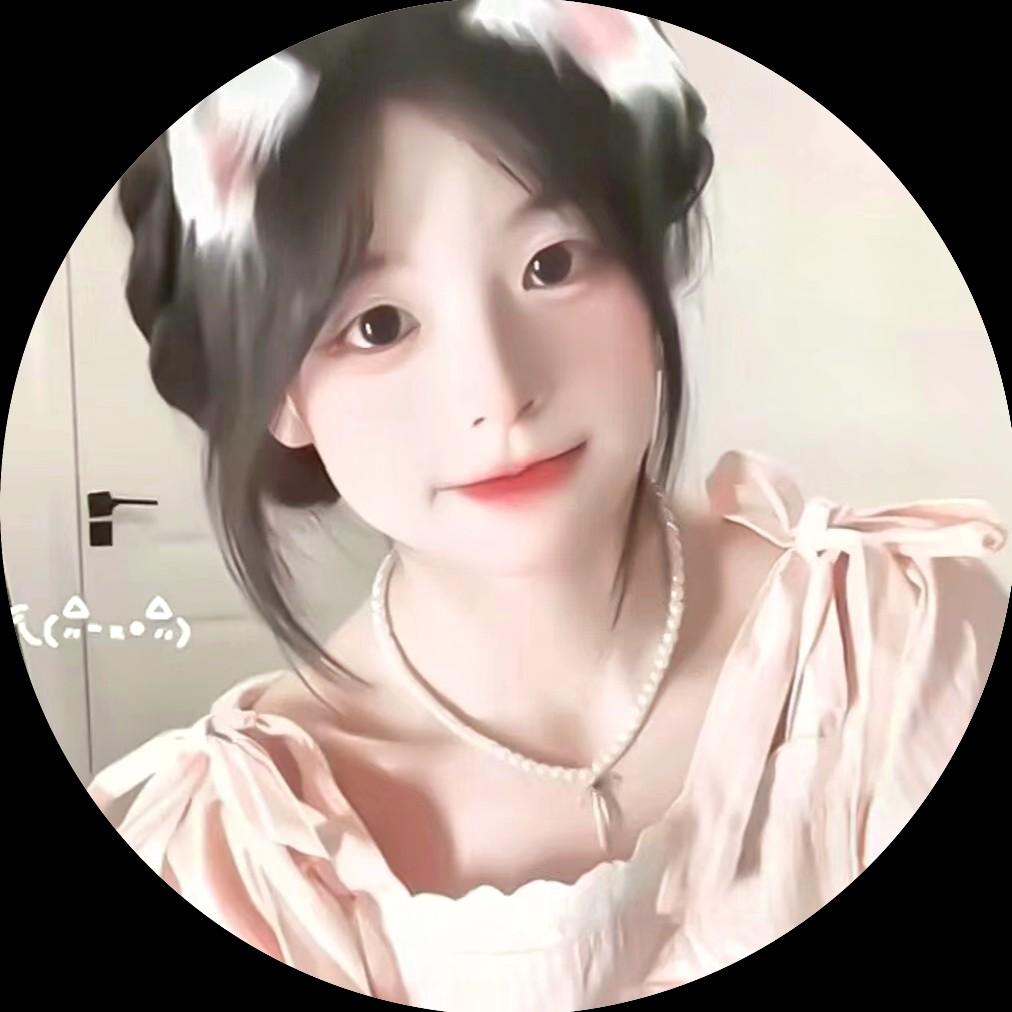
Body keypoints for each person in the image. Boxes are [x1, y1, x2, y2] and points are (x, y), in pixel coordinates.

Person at [86, 3, 1008, 1007]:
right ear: (280, 394)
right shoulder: (236, 858)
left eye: (551, 264)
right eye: (379, 324)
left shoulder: (902, 640)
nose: (498, 391)